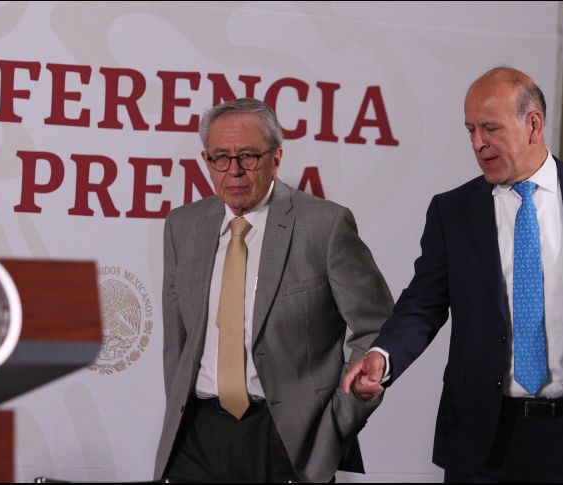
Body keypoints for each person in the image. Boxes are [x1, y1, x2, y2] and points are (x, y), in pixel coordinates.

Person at [342, 67, 563, 482]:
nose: (478, 143)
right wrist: (382, 357)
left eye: (491, 129)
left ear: (533, 124)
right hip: (485, 440)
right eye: (471, 130)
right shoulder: (453, 211)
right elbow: (423, 304)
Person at [154, 97, 394, 482]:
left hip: (287, 439)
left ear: (276, 158)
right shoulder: (183, 226)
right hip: (195, 437)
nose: (234, 170)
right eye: (220, 157)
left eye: (248, 156)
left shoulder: (324, 225)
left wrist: (336, 425)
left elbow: (379, 328)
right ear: (206, 161)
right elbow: (176, 343)